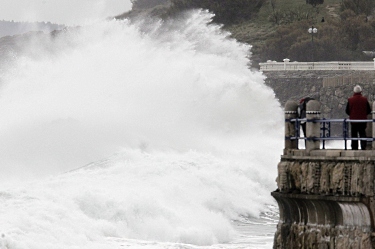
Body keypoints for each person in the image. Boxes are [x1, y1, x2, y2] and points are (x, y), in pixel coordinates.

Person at [345, 85, 371, 150]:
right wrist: (364, 115)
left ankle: (354, 148)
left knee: (354, 135)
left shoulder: (350, 100)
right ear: (361, 91)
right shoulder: (365, 100)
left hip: (353, 121)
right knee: (362, 133)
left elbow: (347, 110)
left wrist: (351, 115)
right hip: (363, 120)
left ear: (354, 91)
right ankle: (363, 147)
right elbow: (369, 110)